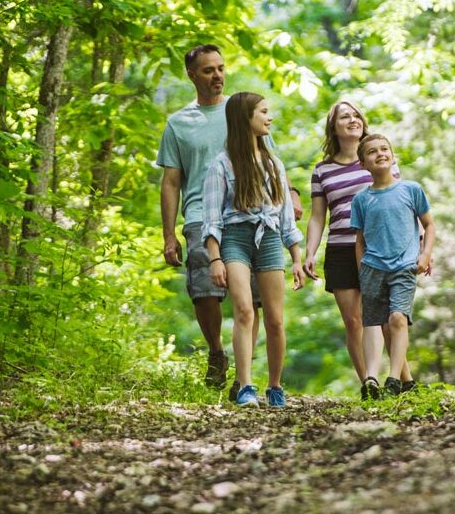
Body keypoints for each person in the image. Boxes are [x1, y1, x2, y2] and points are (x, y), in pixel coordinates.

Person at [157, 45, 303, 392]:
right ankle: (216, 351)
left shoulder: (241, 111)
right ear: (192, 75)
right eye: (208, 70)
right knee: (205, 291)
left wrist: (291, 194)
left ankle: (244, 377)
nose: (218, 75)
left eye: (221, 68)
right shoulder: (179, 123)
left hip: (252, 218)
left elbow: (271, 158)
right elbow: (171, 181)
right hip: (200, 215)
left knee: (251, 301)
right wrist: (167, 235)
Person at [303, 100, 414, 397]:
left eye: (356, 115)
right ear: (334, 127)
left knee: (390, 318)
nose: (352, 120)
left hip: (381, 248)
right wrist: (309, 253)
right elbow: (317, 217)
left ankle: (405, 382)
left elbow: (399, 204)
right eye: (344, 117)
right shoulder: (322, 170)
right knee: (355, 321)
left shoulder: (379, 158)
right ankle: (370, 383)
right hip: (341, 249)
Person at [202, 92, 305, 408]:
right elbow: (211, 218)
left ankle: (275, 386)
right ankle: (245, 385)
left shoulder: (274, 163)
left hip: (270, 238)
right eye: (263, 112)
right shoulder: (221, 164)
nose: (269, 117)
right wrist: (215, 257)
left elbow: (286, 216)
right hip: (235, 239)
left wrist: (297, 257)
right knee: (244, 311)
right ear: (244, 117)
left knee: (275, 319)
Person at [351, 133, 435, 399]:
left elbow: (429, 225)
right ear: (363, 164)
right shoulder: (361, 200)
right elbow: (360, 239)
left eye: (384, 149)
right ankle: (371, 379)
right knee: (374, 323)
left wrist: (425, 255)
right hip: (373, 268)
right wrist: (362, 271)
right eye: (372, 152)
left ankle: (394, 379)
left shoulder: (411, 189)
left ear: (393, 155)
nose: (380, 154)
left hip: (404, 267)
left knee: (397, 319)